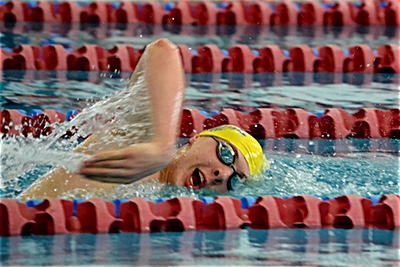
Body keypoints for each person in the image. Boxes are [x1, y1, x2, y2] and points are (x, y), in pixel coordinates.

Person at [18, 39, 269, 201]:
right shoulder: (140, 138)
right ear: (196, 139)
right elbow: (162, 50)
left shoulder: (159, 204)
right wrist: (161, 147)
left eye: (235, 179)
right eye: (226, 154)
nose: (222, 173)